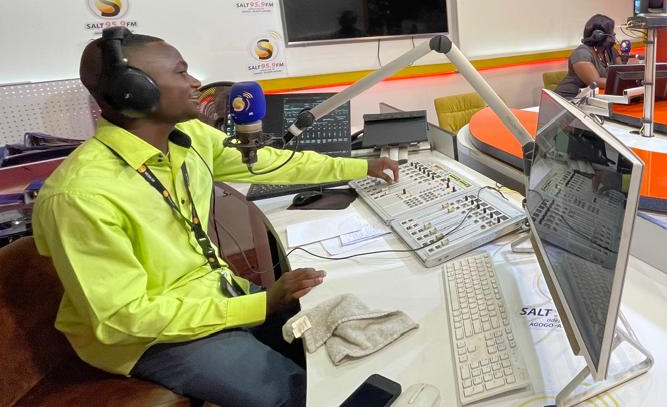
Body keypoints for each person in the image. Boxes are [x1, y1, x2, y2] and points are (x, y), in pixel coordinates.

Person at [32, 28, 399, 407]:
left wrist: (359, 167)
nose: (196, 83)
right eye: (181, 72)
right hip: (150, 336)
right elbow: (122, 319)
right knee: (295, 395)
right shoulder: (79, 196)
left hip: (215, 292)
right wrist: (261, 305)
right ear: (134, 91)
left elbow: (271, 163)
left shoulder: (189, 137)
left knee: (330, 344)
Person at [554, 14, 629, 98]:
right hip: (569, 100)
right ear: (599, 35)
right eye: (611, 31)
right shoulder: (581, 54)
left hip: (595, 98)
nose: (614, 34)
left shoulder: (610, 50)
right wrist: (626, 83)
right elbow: (595, 82)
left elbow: (622, 73)